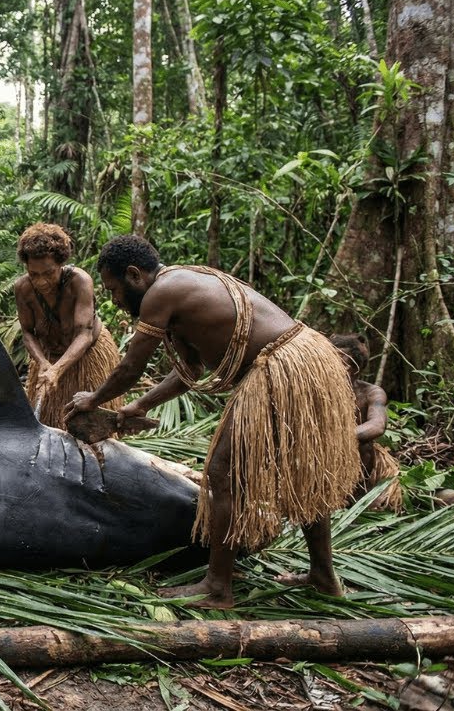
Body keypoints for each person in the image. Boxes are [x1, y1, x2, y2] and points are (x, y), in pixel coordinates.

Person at [65, 235, 360, 608]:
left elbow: (130, 367)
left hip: (279, 367)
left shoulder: (161, 293)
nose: (114, 300)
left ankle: (218, 587)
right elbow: (189, 370)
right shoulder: (180, 284)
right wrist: (138, 406)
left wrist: (93, 398)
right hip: (304, 359)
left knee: (222, 475)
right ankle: (323, 576)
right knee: (302, 470)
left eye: (113, 290)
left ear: (134, 275)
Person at [13, 223, 121, 429]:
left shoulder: (79, 282)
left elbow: (84, 333)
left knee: (91, 428)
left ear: (61, 264)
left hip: (87, 356)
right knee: (49, 424)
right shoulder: (23, 288)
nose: (41, 282)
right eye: (34, 274)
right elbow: (27, 332)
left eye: (48, 273)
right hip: (48, 357)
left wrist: (57, 369)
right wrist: (43, 362)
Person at [330, 334, 402, 512]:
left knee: (363, 445)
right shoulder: (318, 391)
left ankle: (360, 494)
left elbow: (377, 425)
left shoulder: (371, 393)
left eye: (340, 361)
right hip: (326, 465)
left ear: (354, 368)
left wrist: (334, 439)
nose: (331, 366)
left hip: (357, 464)